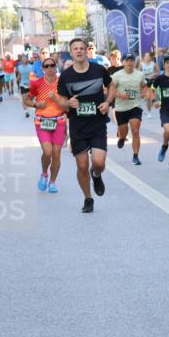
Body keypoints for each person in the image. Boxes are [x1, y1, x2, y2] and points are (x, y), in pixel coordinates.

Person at [55, 38, 113, 213]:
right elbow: (61, 101)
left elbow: (112, 86)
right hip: (78, 126)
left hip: (97, 123)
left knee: (98, 162)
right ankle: (88, 198)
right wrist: (68, 103)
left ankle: (96, 175)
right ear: (71, 53)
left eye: (81, 48)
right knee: (81, 166)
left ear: (86, 51)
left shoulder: (98, 70)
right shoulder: (66, 76)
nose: (79, 51)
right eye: (75, 49)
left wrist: (108, 102)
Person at [24, 55, 64, 192]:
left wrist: (57, 99)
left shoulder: (62, 82)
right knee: (48, 152)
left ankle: (52, 182)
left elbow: (66, 103)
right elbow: (27, 100)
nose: (49, 68)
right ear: (42, 69)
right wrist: (36, 104)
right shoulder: (37, 83)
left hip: (59, 121)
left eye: (52, 65)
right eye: (46, 66)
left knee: (57, 154)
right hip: (42, 121)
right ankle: (44, 174)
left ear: (55, 67)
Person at [147, 55, 169, 172]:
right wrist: (154, 101)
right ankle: (164, 146)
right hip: (165, 110)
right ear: (164, 64)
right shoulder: (159, 79)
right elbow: (151, 90)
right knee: (168, 130)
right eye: (167, 62)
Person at [111, 53, 146, 165]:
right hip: (121, 108)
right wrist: (120, 95)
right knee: (123, 130)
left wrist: (144, 92)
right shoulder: (116, 75)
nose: (130, 62)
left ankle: (135, 156)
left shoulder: (140, 74)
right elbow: (110, 89)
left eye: (132, 60)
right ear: (123, 62)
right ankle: (122, 137)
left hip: (135, 106)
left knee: (135, 130)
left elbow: (143, 85)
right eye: (127, 60)